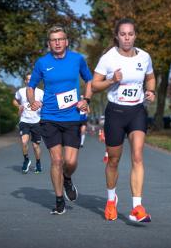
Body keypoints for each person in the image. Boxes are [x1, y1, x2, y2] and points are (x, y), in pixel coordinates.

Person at [92, 18, 156, 222]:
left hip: (137, 111)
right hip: (115, 113)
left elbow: (150, 77)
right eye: (123, 34)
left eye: (130, 34)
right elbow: (94, 85)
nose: (127, 38)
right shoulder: (108, 58)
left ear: (135, 35)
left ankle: (137, 206)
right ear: (117, 36)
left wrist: (151, 91)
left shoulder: (144, 57)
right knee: (113, 160)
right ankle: (111, 200)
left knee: (137, 156)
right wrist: (112, 80)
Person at [27, 25, 93, 215]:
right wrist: (32, 101)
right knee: (56, 160)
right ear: (49, 44)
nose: (57, 42)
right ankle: (58, 201)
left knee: (70, 162)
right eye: (53, 40)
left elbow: (89, 80)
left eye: (60, 39)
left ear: (66, 41)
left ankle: (67, 178)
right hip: (49, 117)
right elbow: (31, 86)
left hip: (72, 117)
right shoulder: (42, 63)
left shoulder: (77, 59)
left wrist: (86, 100)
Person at [13, 72, 44, 174]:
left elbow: (46, 104)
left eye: (32, 79)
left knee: (35, 146)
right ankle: (26, 160)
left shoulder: (40, 92)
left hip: (36, 121)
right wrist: (19, 106)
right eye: (28, 79)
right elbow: (15, 100)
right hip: (24, 120)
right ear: (25, 81)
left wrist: (41, 105)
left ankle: (38, 163)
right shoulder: (21, 91)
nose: (30, 81)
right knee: (24, 142)